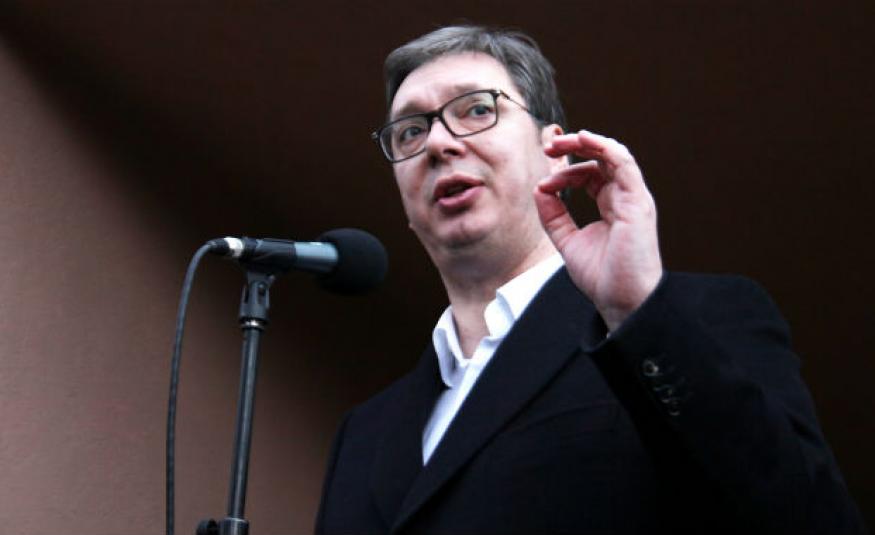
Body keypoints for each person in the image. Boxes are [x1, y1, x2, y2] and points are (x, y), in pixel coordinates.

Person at [315, 25, 866, 534]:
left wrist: (638, 314)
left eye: (477, 109)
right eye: (410, 131)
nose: (438, 144)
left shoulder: (687, 319)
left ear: (553, 152)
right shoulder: (363, 434)